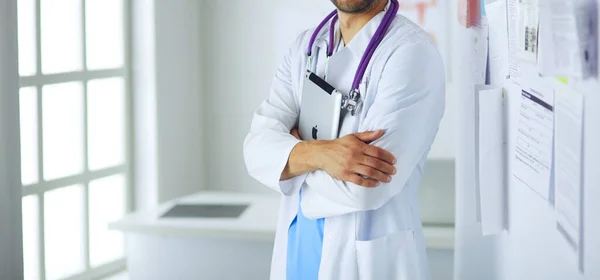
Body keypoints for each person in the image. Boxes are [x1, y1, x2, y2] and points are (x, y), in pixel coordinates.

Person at [243, 0, 445, 279]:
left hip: (364, 264)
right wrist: (321, 155)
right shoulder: (305, 47)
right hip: (297, 256)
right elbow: (255, 151)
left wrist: (290, 158)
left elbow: (365, 187)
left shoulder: (411, 53)